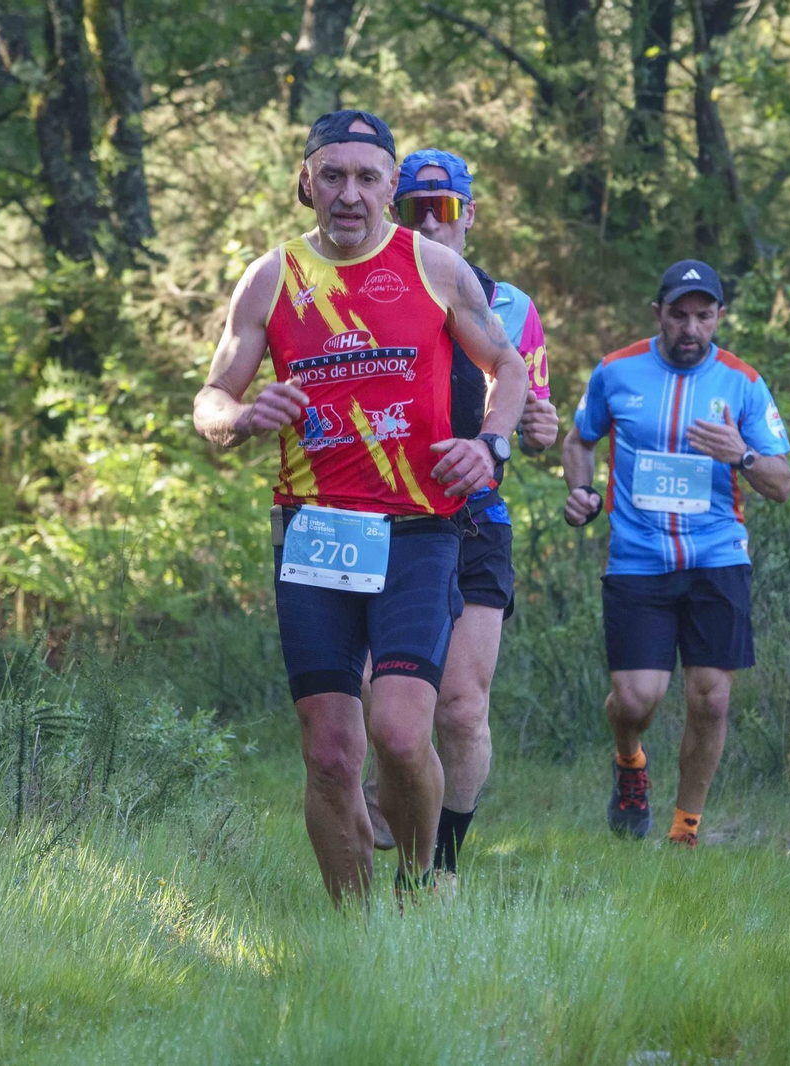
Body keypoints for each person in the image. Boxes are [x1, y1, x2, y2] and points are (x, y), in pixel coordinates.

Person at [192, 111, 527, 904]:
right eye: (332, 176)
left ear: (390, 187)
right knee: (331, 754)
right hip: (314, 536)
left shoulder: (434, 270)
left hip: (417, 532)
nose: (350, 194)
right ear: (307, 182)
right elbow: (211, 397)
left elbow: (506, 369)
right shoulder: (272, 277)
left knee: (404, 734)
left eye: (367, 177)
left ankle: (421, 884)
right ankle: (354, 930)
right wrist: (239, 419)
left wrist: (490, 446)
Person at [360, 149, 560, 890]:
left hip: (475, 518)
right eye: (415, 208)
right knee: (380, 699)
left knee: (464, 709)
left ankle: (441, 865)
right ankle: (384, 802)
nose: (431, 223)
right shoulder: (370, 290)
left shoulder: (513, 308)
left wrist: (533, 432)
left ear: (471, 214)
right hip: (386, 514)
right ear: (394, 212)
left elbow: (531, 410)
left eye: (445, 208)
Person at [560, 260, 790, 847]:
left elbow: (782, 482)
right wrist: (581, 491)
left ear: (718, 318)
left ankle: (684, 831)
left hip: (716, 555)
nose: (691, 328)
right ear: (658, 313)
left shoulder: (742, 382)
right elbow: (578, 439)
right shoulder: (616, 371)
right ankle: (630, 762)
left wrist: (740, 453)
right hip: (638, 557)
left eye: (704, 316)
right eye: (680, 315)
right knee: (637, 700)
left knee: (711, 698)